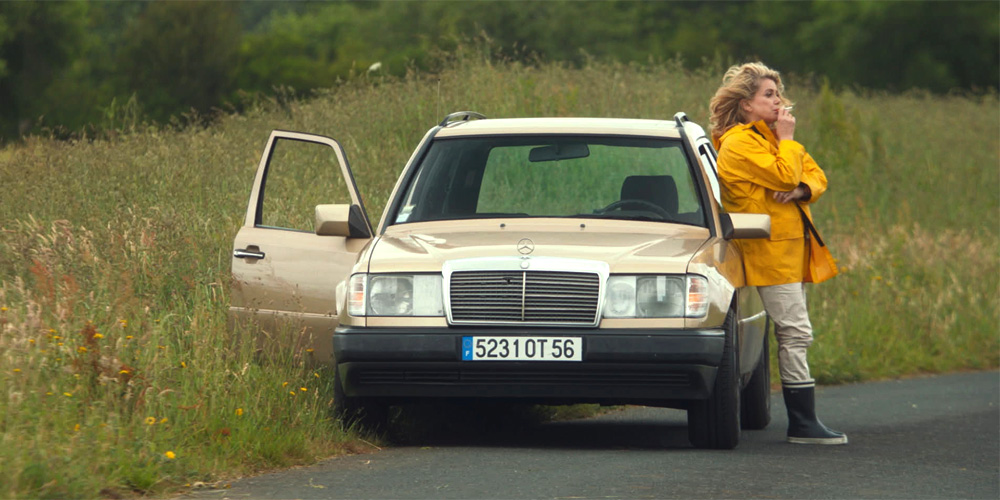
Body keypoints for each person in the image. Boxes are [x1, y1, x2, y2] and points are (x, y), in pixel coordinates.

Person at [709, 62, 847, 445]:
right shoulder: (740, 143)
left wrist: (803, 189)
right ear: (746, 104)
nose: (778, 102)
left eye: (778, 94)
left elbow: (815, 175)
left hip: (791, 251)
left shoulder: (772, 140)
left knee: (793, 331)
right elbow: (787, 174)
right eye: (768, 95)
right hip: (769, 254)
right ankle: (803, 424)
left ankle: (803, 421)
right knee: (796, 332)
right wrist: (788, 145)